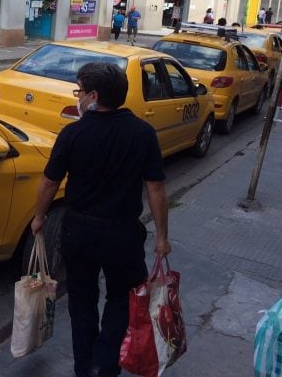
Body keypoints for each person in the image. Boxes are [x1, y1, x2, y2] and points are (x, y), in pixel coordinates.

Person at [30, 62, 170, 377]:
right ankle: (103, 364)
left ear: (93, 96)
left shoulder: (73, 133)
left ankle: (84, 368)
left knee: (82, 299)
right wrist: (162, 237)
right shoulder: (142, 133)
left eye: (80, 91)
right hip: (122, 234)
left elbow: (50, 182)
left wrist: (39, 217)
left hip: (79, 231)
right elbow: (156, 187)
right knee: (123, 297)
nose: (78, 98)